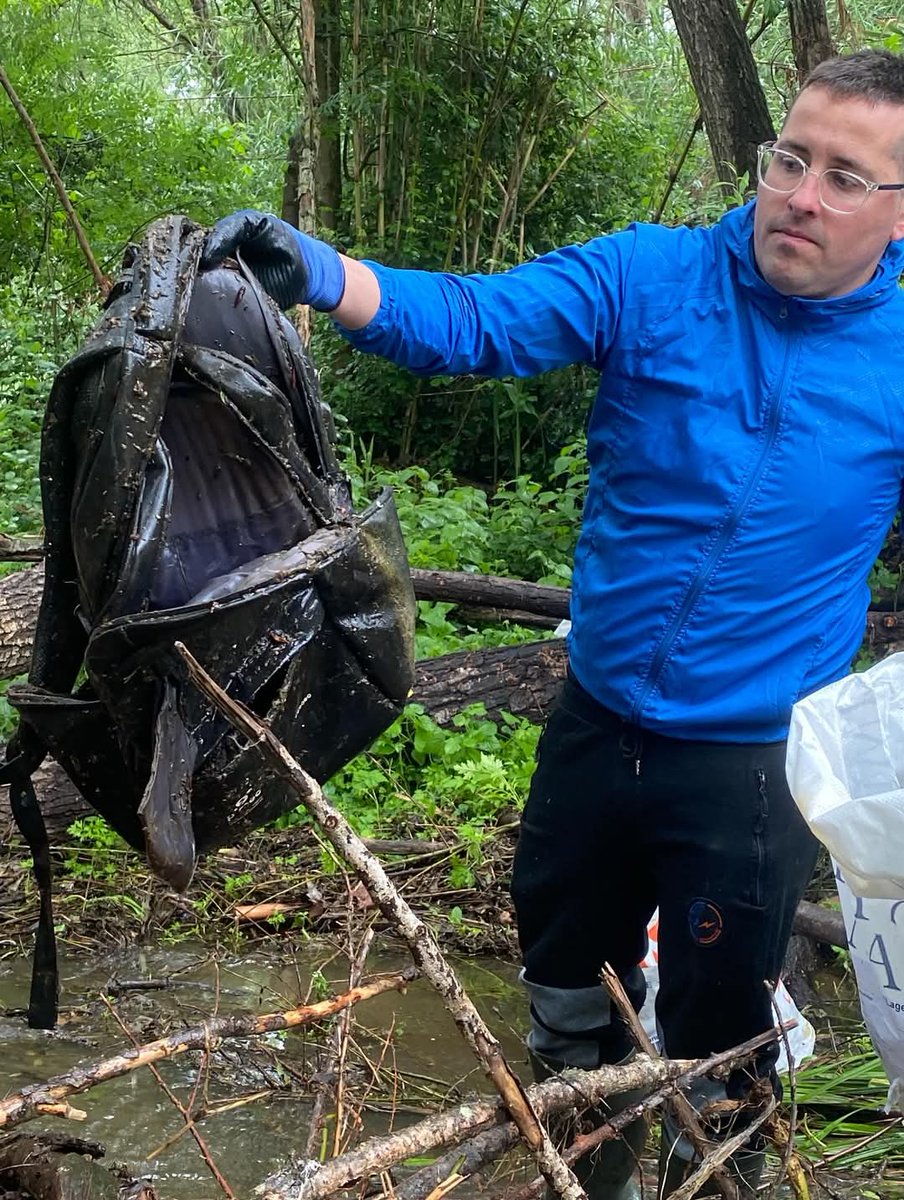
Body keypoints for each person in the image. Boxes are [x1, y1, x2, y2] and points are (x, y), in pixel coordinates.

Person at [203, 49, 904, 1198]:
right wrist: (320, 270)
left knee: (721, 1043)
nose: (801, 196)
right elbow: (476, 319)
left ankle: (711, 1171)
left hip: (753, 766)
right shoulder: (653, 277)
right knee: (567, 989)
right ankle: (587, 1167)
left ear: (895, 210)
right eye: (790, 158)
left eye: (844, 176)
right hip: (597, 727)